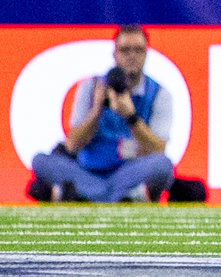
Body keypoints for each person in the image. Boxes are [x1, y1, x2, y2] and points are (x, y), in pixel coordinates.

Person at [27, 25, 174, 203]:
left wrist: (132, 117)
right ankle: (122, 197)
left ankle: (85, 195)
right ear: (115, 54)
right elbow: (72, 144)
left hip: (128, 173)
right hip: (88, 171)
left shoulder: (159, 93)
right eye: (125, 50)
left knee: (163, 166)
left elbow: (158, 150)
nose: (132, 56)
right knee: (40, 161)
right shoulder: (91, 87)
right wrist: (96, 110)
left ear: (146, 53)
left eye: (138, 50)